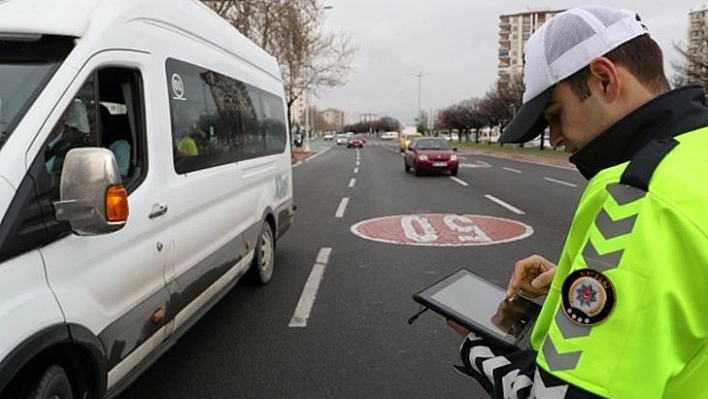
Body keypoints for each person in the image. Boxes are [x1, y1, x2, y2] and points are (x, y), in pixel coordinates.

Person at [449, 5, 708, 398]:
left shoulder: (639, 197)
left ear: (604, 79)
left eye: (555, 115)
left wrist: (478, 346)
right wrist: (588, 280)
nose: (553, 138)